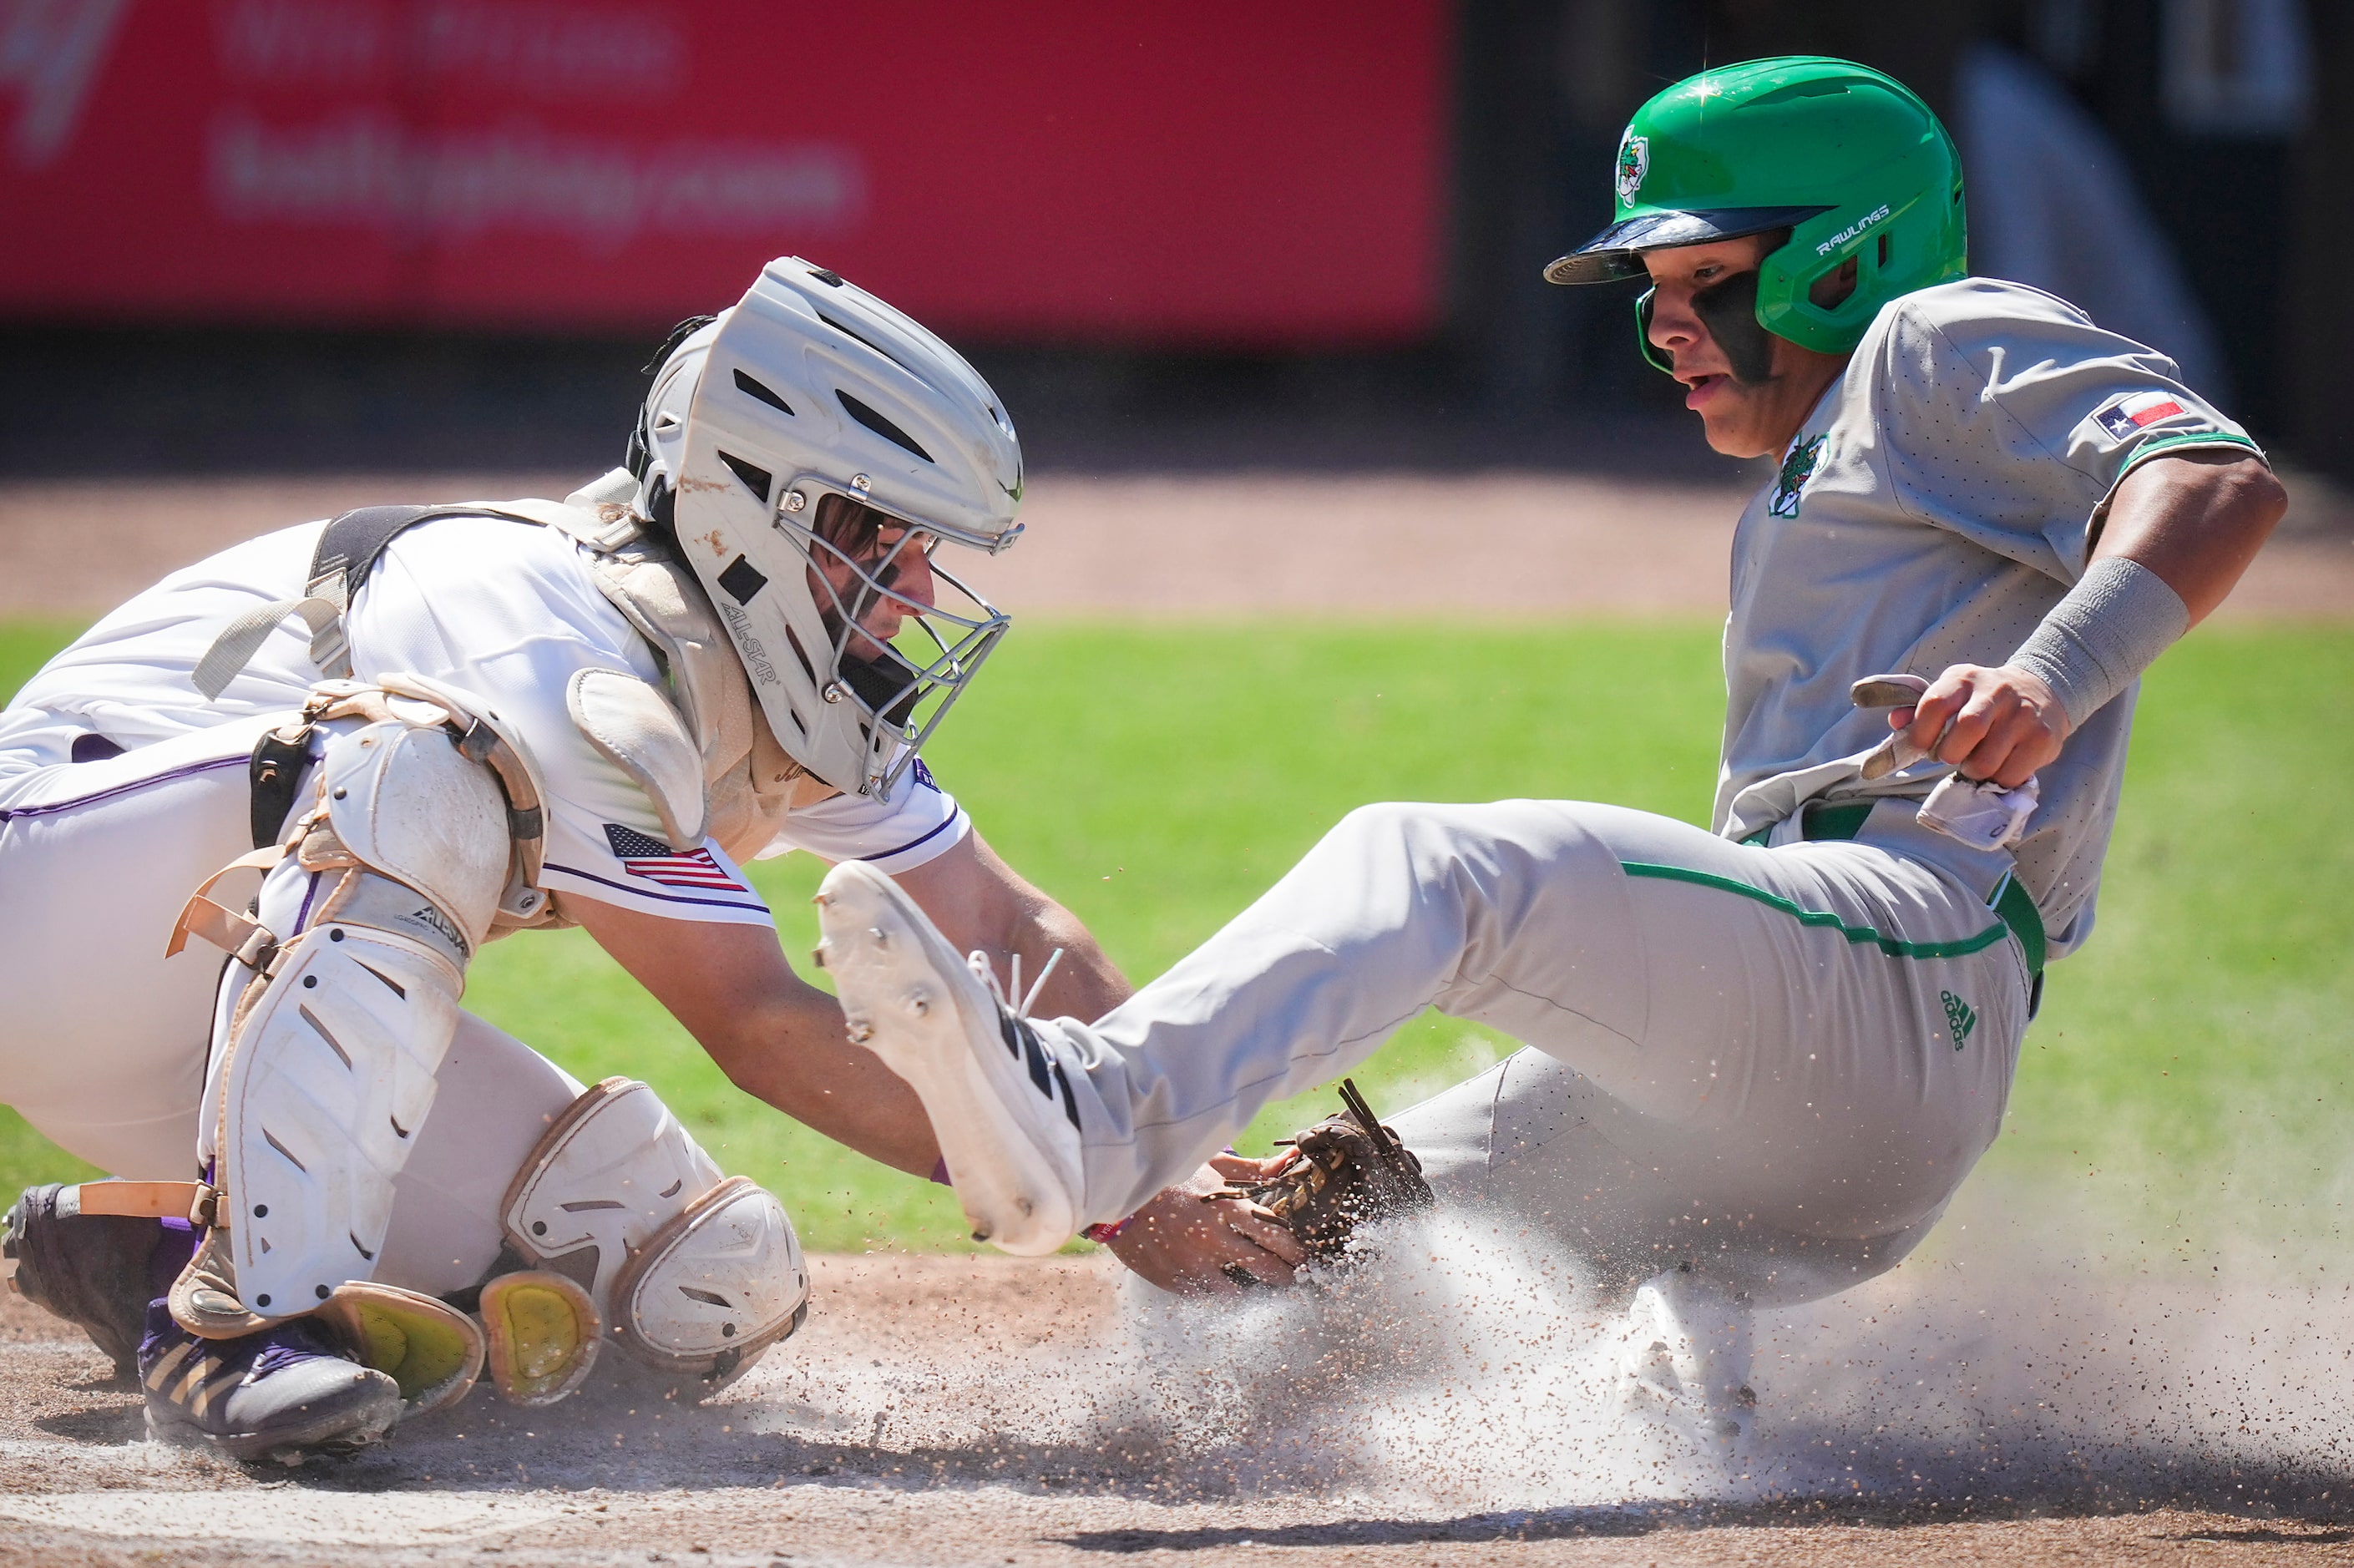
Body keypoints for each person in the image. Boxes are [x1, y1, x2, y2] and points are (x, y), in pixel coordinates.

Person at [810, 57, 2288, 1442]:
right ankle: (1661, 1356)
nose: (1663, 328)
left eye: (1704, 280)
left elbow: (2216, 479)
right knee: (1278, 1285)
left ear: (1855, 251)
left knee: (1440, 865)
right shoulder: (1825, 460)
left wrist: (2050, 676)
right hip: (1793, 1095)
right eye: (1649, 292)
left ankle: (1094, 1112)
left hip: (1901, 971)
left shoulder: (1929, 338)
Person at [0, 258, 1126, 1463]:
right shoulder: (545, 620)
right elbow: (754, 1020)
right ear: (756, 513)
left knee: (698, 1280)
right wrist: (1107, 1196)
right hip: (54, 915)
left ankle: (144, 1251)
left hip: (210, 1031)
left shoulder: (766, 673)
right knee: (422, 768)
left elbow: (1004, 925)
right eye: (886, 543)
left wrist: (1175, 1140)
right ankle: (240, 1321)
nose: (915, 590)